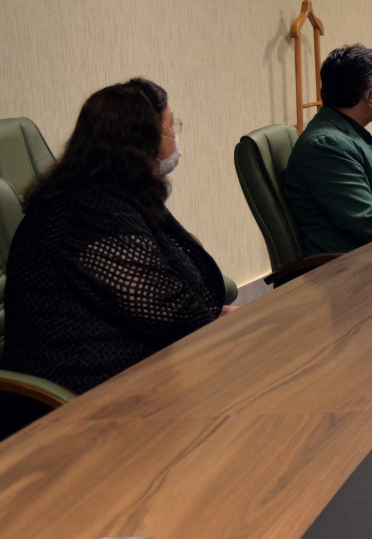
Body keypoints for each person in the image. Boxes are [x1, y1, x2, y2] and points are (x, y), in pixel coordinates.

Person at [0, 79, 227, 394]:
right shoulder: (85, 210)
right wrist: (217, 319)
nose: (175, 137)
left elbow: (182, 287)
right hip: (75, 396)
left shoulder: (117, 196)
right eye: (170, 126)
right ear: (142, 141)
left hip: (129, 374)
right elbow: (173, 312)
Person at [282, 44, 372, 256]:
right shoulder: (326, 145)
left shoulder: (347, 132)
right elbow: (367, 222)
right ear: (369, 95)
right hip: (359, 265)